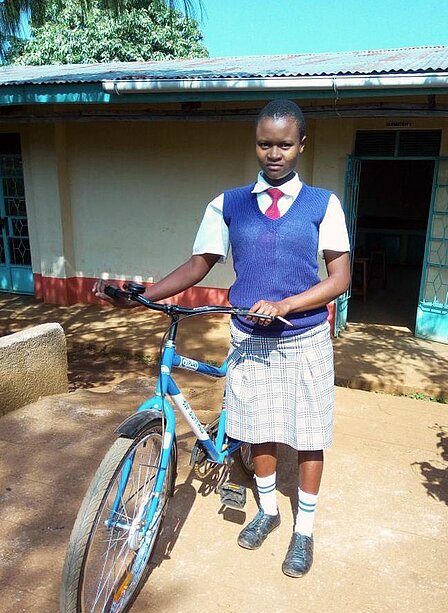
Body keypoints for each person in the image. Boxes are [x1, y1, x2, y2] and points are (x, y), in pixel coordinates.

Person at [94, 99, 351, 578]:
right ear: (255, 144)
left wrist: (289, 305)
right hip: (249, 335)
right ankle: (270, 511)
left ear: (301, 145)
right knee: (258, 427)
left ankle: (305, 531)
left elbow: (340, 278)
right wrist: (141, 295)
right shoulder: (228, 204)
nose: (274, 153)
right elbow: (198, 265)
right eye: (264, 143)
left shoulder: (324, 204)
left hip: (303, 337)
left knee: (309, 434)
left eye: (285, 144)